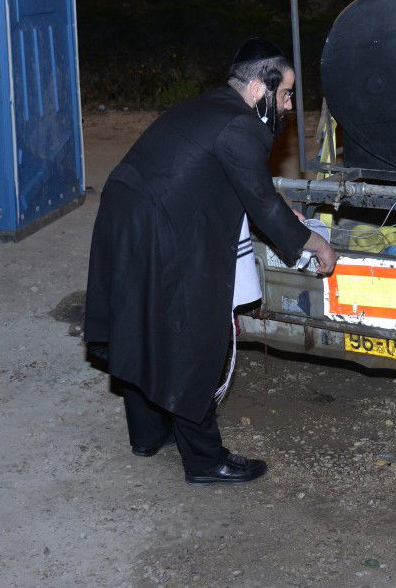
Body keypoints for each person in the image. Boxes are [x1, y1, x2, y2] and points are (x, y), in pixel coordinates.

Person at [84, 39, 337, 485]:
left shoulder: (212, 109)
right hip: (158, 230)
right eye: (285, 94)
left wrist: (281, 213)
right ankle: (204, 460)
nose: (289, 105)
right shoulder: (239, 127)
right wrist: (313, 243)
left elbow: (239, 184)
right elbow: (259, 199)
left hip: (128, 220)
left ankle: (147, 434)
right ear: (262, 87)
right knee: (195, 337)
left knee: (145, 323)